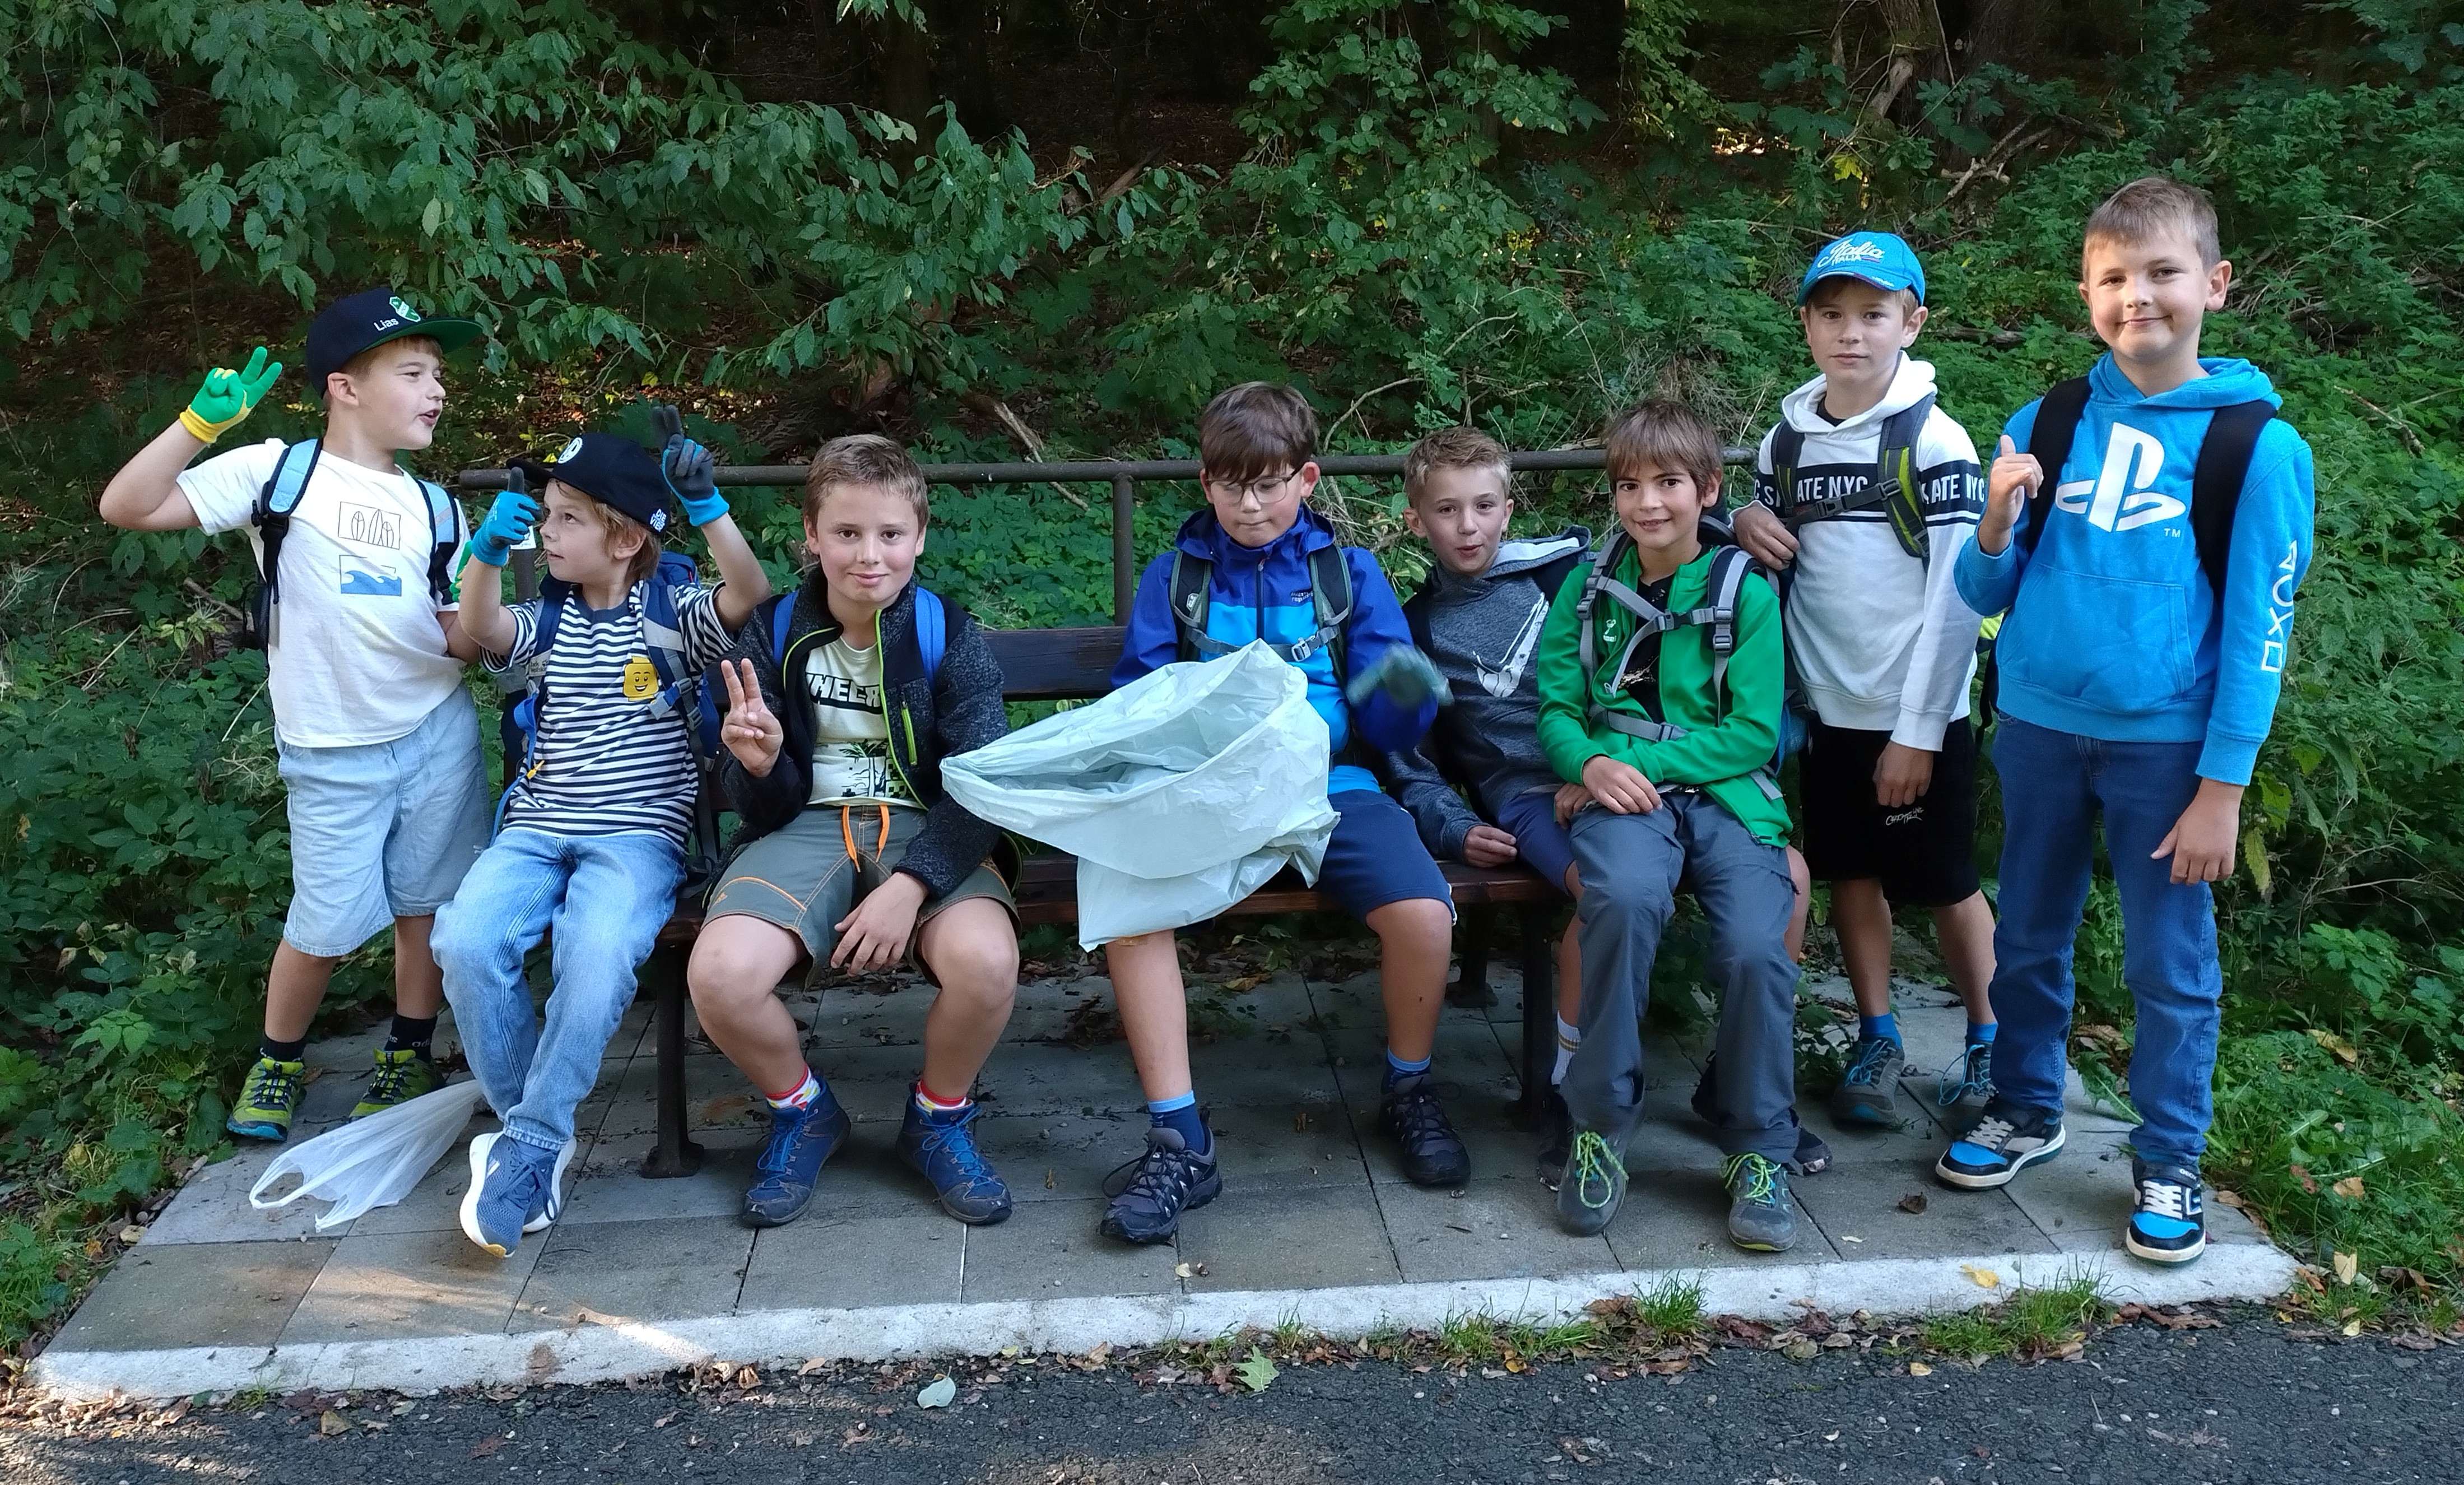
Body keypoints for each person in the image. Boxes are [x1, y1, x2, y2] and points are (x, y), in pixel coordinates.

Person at [1940, 177, 2315, 1266]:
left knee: (2167, 962)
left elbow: (2260, 632)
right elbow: (1981, 592)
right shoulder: (2047, 421)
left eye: (2162, 273)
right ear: (2086, 294)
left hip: (2169, 749)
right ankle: (2025, 1103)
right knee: (2026, 937)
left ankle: (2169, 1156)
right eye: (2113, 278)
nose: (2137, 296)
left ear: (2216, 284)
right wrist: (1996, 519)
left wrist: (2223, 787)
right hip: (2040, 729)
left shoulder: (2256, 448)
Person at [1379, 428, 1824, 1187]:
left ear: (1508, 508)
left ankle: (1739, 1082)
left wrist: (1742, 516)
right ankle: (1569, 1089)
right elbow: (1405, 757)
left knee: (1792, 876)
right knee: (1602, 893)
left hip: (1639, 771)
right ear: (1416, 520)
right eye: (1447, 511)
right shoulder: (1413, 629)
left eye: (1484, 506)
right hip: (1532, 794)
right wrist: (1453, 824)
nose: (1468, 527)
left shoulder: (1561, 575)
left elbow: (1673, 542)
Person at [97, 288, 490, 1141]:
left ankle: (409, 1053)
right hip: (328, 749)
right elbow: (127, 507)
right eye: (413, 373)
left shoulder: (439, 508)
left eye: (438, 376)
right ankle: (277, 1061)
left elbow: (459, 641)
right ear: (344, 387)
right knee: (322, 925)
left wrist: (496, 591)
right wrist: (198, 427)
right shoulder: (276, 473)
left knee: (426, 908)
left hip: (438, 736)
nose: (436, 391)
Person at [1098, 382, 1458, 1245]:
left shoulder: (1348, 573)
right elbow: (1138, 701)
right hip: (1211, 794)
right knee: (1127, 909)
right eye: (1231, 486)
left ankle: (1408, 1086)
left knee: (1424, 913)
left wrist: (1403, 700)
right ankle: (1179, 1137)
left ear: (1305, 478)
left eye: (1267, 484)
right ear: (1205, 481)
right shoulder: (1176, 577)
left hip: (1331, 788)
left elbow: (1386, 722)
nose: (1250, 505)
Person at [432, 425, 770, 1256]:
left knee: (594, 954)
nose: (546, 532)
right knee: (466, 941)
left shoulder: (672, 618)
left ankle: (527, 1149)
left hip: (637, 837)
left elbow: (750, 589)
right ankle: (535, 1140)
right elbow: (480, 629)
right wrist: (486, 551)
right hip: (536, 827)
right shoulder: (547, 618)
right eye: (545, 514)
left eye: (566, 518)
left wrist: (707, 508)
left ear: (623, 539)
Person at [688, 435, 1024, 1231]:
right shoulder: (773, 630)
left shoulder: (947, 632)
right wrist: (758, 765)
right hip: (804, 826)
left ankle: (938, 1118)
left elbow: (984, 782)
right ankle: (804, 1109)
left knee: (986, 962)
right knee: (722, 976)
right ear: (811, 535)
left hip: (927, 827)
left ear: (919, 537)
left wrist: (912, 884)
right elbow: (761, 803)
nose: (869, 555)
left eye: (890, 534)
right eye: (846, 533)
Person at [1728, 230, 2000, 1130]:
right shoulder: (1783, 442)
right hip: (1828, 711)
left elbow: (1957, 599)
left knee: (1946, 880)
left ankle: (1990, 1037)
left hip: (1919, 714)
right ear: (1805, 324)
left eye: (1873, 315)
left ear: (1910, 324)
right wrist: (1743, 518)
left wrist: (1917, 731)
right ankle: (1876, 1035)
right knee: (1848, 872)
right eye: (1832, 314)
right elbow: (1770, 551)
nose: (1851, 333)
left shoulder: (1936, 441)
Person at [1535, 400, 1803, 1251]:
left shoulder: (1744, 592)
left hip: (1725, 793)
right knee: (1621, 900)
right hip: (1620, 799)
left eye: (1668, 483)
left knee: (1756, 943)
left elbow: (1752, 733)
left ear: (1708, 489)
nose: (1648, 503)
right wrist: (1587, 765)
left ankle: (1758, 1142)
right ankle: (1600, 1123)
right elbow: (1556, 709)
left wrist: (1627, 761)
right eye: (1629, 486)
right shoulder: (1587, 588)